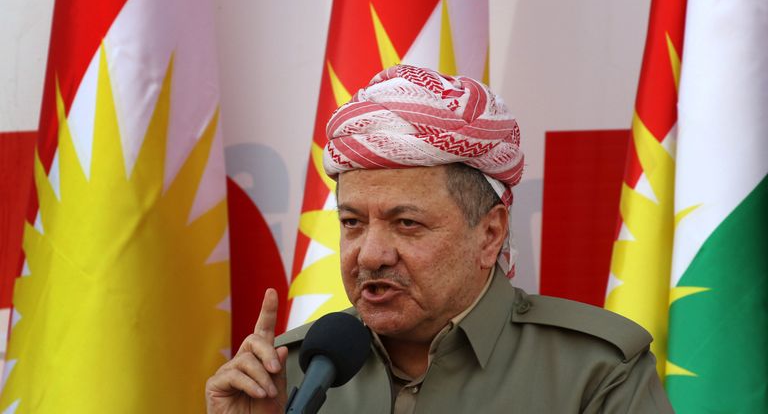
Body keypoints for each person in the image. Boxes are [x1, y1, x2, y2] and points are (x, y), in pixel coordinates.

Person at [205, 65, 673, 413]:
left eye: (406, 223)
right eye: (352, 222)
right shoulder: (292, 374)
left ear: (490, 234)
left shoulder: (592, 373)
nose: (370, 253)